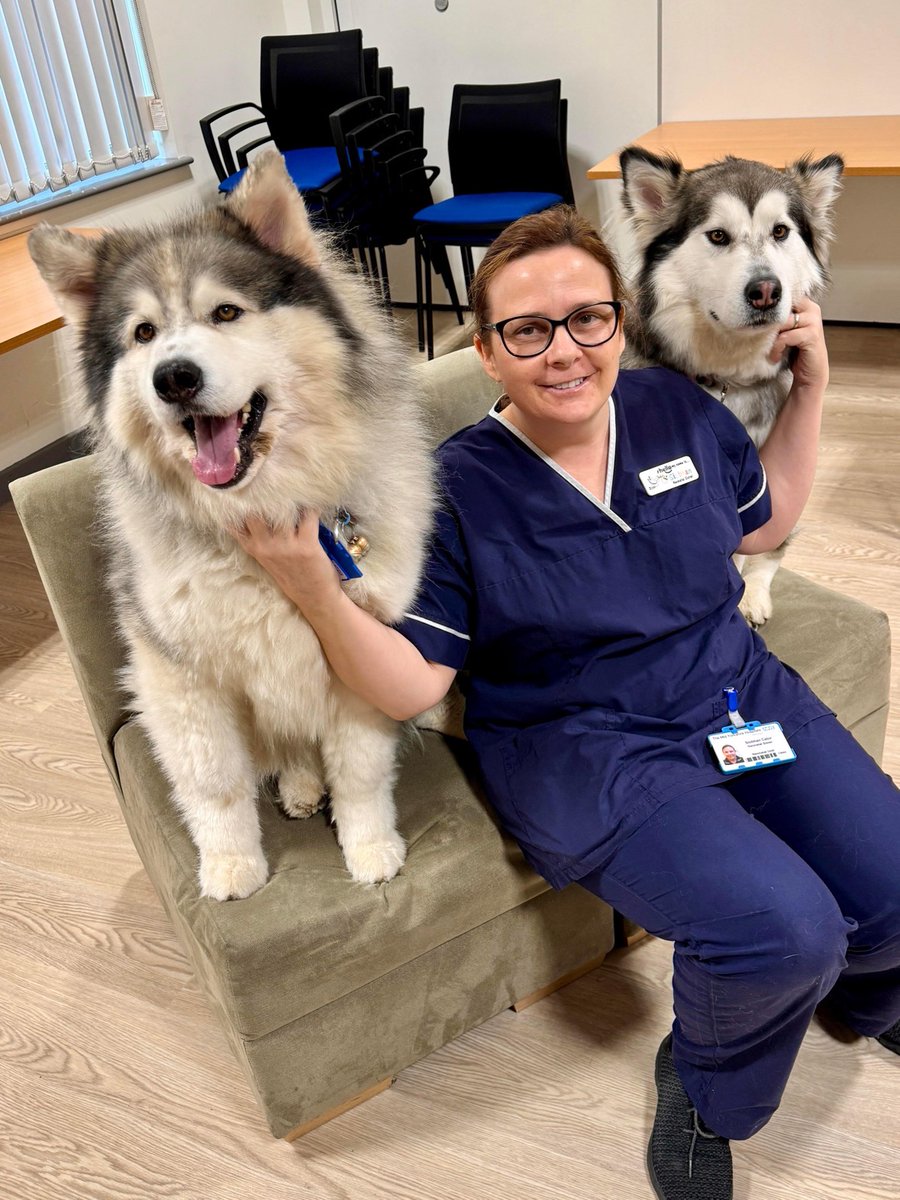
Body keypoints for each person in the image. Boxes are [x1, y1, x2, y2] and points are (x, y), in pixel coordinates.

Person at [234, 207, 900, 1200]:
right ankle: (707, 1082)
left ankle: (865, 992)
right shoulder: (456, 488)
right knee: (782, 932)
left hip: (730, 692)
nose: (564, 352)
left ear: (620, 322)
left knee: (890, 887)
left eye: (587, 318)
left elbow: (764, 526)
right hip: (587, 745)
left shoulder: (679, 412)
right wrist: (313, 589)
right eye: (528, 331)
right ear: (488, 351)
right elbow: (416, 682)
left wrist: (810, 390)